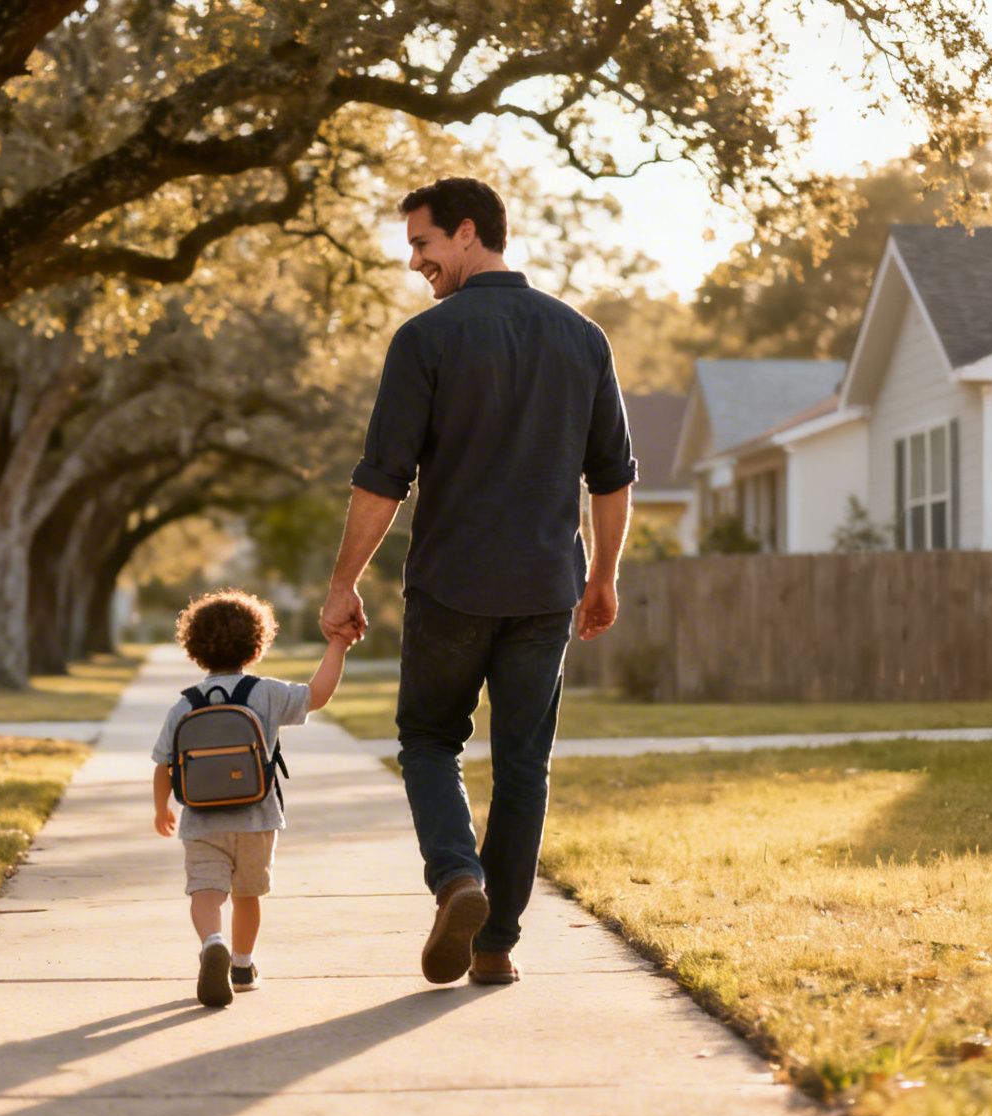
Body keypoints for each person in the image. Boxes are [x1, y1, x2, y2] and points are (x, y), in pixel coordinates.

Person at [321, 176, 635, 987]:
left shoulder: (426, 340)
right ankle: (495, 945)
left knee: (430, 740)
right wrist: (602, 579)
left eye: (422, 245)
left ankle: (458, 877)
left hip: (451, 585)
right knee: (524, 764)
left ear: (467, 232)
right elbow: (613, 477)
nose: (417, 264)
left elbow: (382, 478)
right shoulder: (581, 337)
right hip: (545, 589)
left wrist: (342, 584)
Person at [153, 589, 350, 1007]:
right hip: (257, 818)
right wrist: (338, 644)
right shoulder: (266, 693)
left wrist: (161, 809)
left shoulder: (185, 705)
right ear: (257, 644)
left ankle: (211, 943)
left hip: (202, 821)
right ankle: (241, 966)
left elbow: (163, 764)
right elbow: (318, 694)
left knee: (205, 891)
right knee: (247, 896)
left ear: (194, 649)